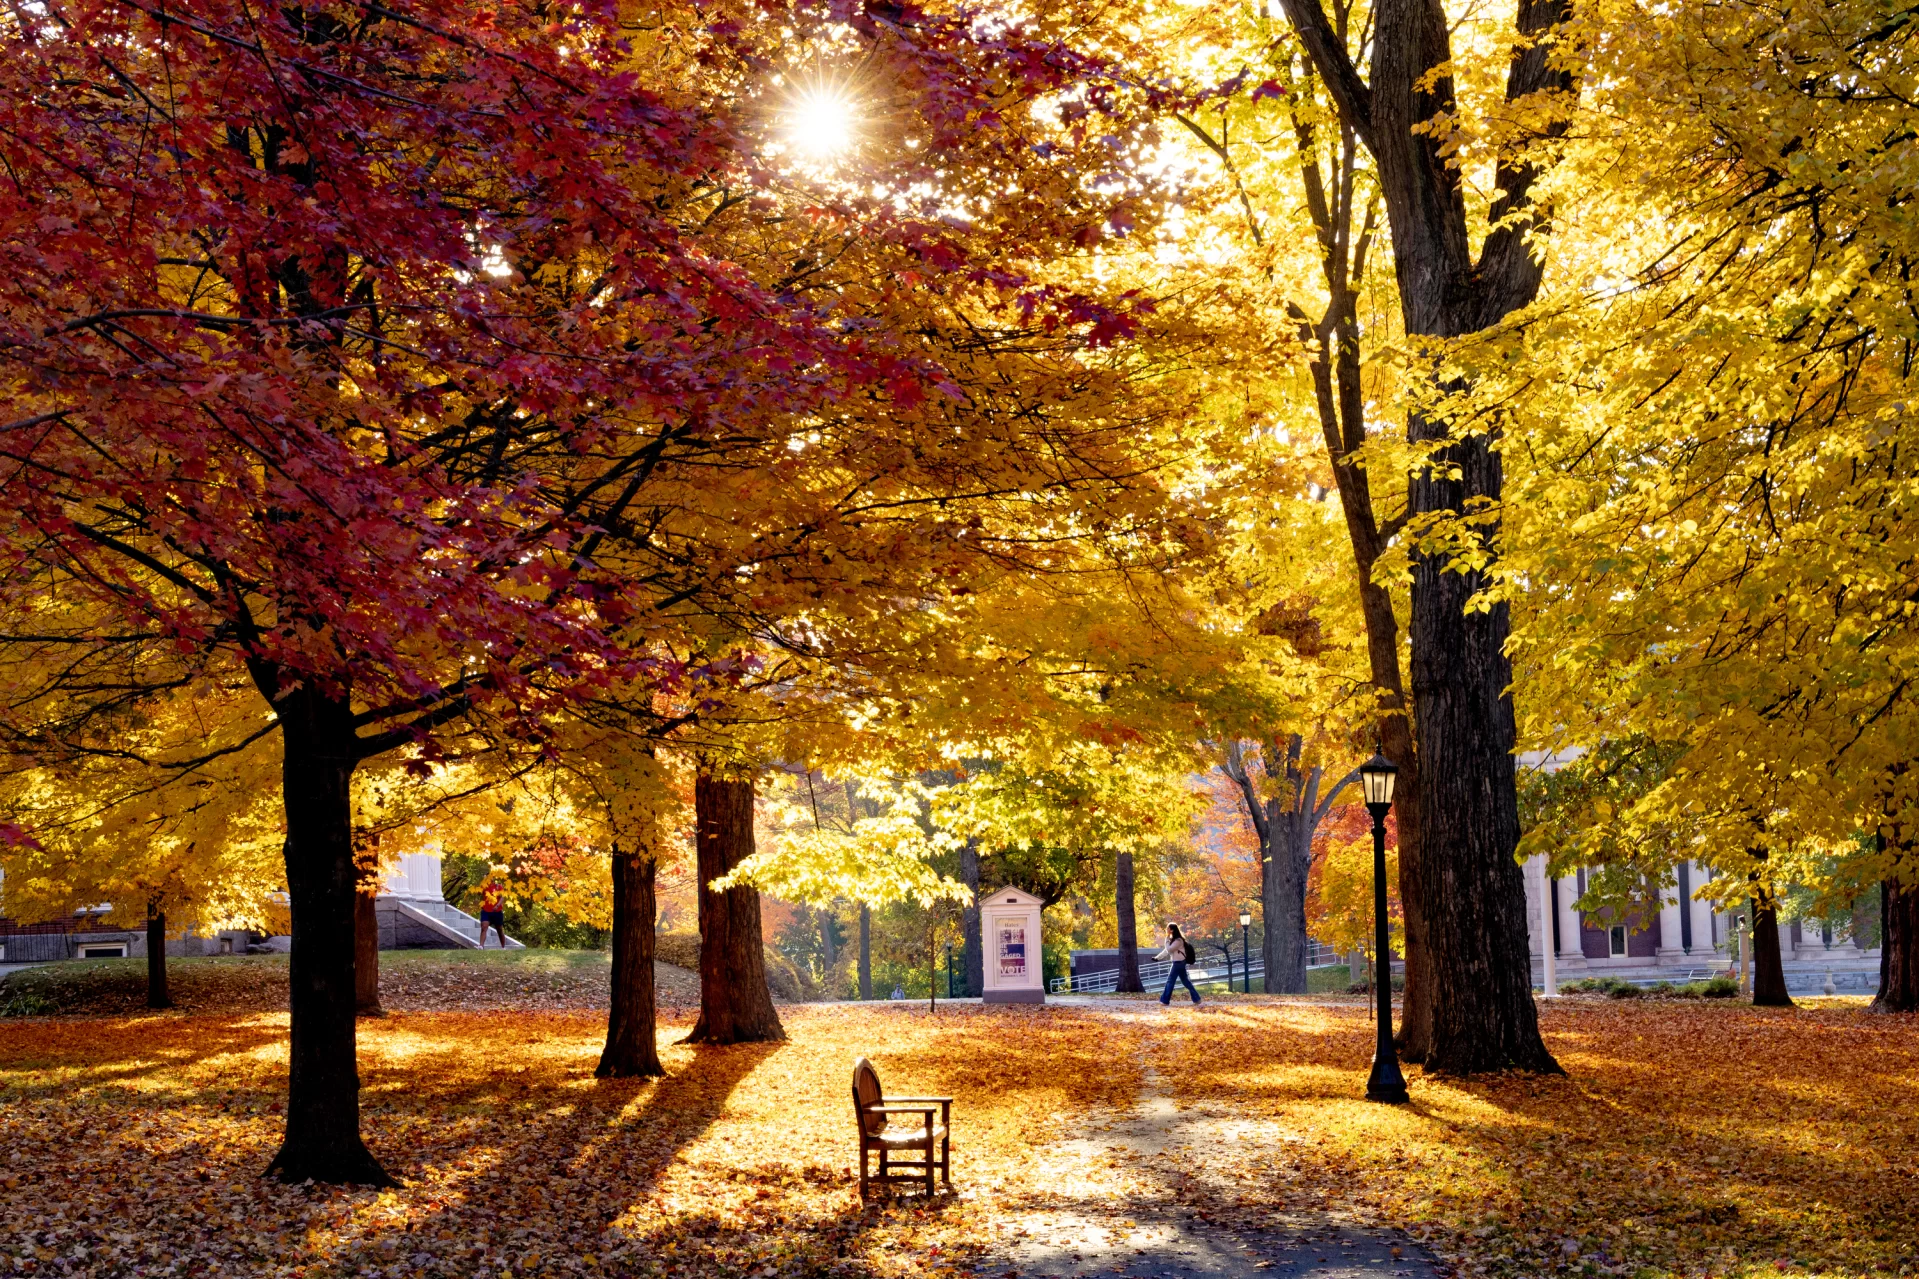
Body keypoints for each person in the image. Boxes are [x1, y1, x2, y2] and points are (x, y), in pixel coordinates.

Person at [1156, 923, 1201, 1006]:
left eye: (1168, 928)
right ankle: (1197, 999)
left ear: (1172, 930)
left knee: (1170, 981)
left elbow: (1169, 949)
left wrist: (1166, 938)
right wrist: (1157, 958)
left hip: (1178, 963)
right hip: (1178, 962)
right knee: (1185, 981)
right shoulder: (1174, 939)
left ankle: (1165, 1000)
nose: (1167, 929)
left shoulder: (1178, 940)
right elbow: (1167, 950)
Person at [478, 868, 508, 948]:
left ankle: (503, 947)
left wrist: (497, 905)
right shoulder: (483, 887)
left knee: (499, 929)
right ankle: (481, 946)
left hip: (497, 911)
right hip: (486, 911)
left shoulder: (498, 887)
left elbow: (502, 897)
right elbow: (479, 894)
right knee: (484, 926)